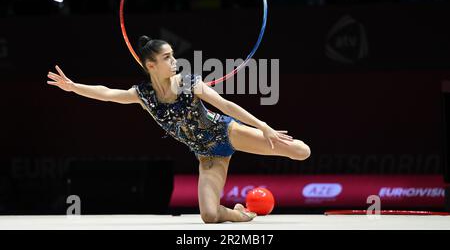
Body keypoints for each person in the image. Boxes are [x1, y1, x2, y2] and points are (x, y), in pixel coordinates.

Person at [47, 36, 311, 223]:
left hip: (226, 132)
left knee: (301, 152)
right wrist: (74, 87)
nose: (174, 60)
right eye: (167, 57)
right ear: (151, 66)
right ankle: (242, 213)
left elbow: (225, 105)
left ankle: (269, 160)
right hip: (207, 156)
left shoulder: (188, 83)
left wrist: (263, 126)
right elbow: (107, 93)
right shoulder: (143, 95)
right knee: (209, 216)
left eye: (173, 55)